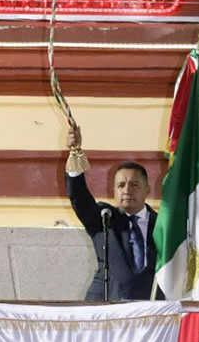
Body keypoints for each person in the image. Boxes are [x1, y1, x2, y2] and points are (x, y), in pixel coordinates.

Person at [65, 126, 164, 300]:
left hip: (151, 310)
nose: (127, 190)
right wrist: (75, 152)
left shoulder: (162, 224)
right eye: (121, 185)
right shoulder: (104, 218)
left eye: (134, 185)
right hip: (105, 308)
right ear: (114, 191)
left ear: (147, 189)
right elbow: (79, 198)